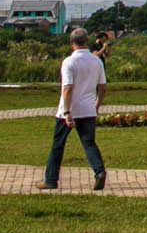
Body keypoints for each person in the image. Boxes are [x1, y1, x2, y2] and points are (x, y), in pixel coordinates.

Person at [43, 27, 107, 192]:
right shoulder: (96, 61)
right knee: (89, 143)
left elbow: (68, 88)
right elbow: (102, 87)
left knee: (58, 144)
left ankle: (51, 180)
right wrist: (96, 106)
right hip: (88, 109)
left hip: (70, 110)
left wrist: (66, 112)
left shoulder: (69, 62)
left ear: (71, 43)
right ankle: (99, 171)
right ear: (86, 41)